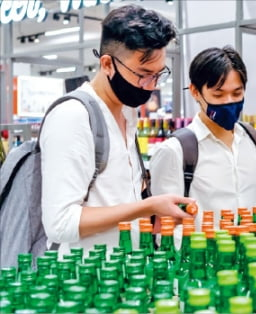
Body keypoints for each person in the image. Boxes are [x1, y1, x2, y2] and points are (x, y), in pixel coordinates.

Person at [40, 4, 194, 256]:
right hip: (85, 281)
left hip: (126, 276)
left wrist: (156, 217)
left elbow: (114, 205)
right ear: (107, 64)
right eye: (143, 74)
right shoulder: (73, 117)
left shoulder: (126, 114)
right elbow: (60, 223)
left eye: (158, 75)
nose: (150, 86)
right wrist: (145, 207)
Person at [149, 46, 256, 229]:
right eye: (218, 94)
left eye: (237, 93)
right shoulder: (175, 151)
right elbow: (167, 227)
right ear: (195, 92)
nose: (229, 101)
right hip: (200, 255)